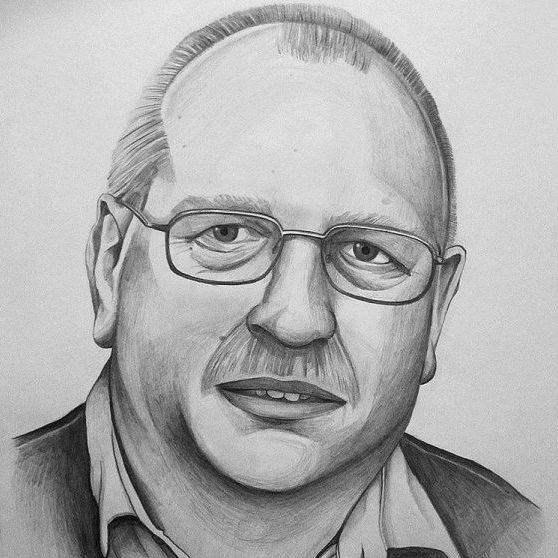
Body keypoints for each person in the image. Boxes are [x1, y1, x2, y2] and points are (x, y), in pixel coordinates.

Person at [11, 4, 542, 557]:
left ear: (436, 312)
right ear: (110, 266)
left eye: (367, 252)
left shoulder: (522, 538)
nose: (295, 320)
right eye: (226, 234)